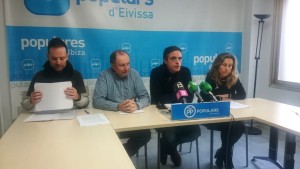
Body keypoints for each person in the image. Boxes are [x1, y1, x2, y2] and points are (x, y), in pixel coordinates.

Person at [93, 50, 151, 157]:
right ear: (113, 65)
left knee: (145, 134)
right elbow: (97, 101)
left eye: (128, 64)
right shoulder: (104, 76)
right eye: (122, 65)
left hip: (132, 120)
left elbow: (145, 97)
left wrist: (137, 105)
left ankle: (120, 156)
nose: (126, 68)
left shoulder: (134, 74)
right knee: (103, 136)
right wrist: (118, 106)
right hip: (112, 122)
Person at [150, 46, 201, 167]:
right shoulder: (156, 73)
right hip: (163, 113)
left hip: (182, 111)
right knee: (170, 133)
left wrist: (175, 98)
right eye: (173, 58)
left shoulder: (185, 71)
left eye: (179, 58)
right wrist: (177, 97)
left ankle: (166, 147)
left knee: (195, 132)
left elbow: (189, 97)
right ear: (165, 60)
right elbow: (157, 99)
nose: (177, 62)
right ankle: (173, 151)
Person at [200, 52, 246, 169]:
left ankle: (222, 154)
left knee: (239, 126)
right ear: (218, 65)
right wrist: (220, 97)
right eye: (224, 65)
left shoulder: (234, 77)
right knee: (230, 125)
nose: (227, 68)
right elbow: (204, 97)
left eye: (230, 65)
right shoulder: (211, 76)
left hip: (229, 114)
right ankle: (227, 158)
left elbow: (242, 94)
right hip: (212, 115)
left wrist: (228, 95)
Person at [21, 37, 89, 110]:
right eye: (54, 59)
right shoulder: (38, 76)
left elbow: (86, 103)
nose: (58, 62)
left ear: (67, 56)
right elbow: (25, 106)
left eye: (62, 58)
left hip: (71, 117)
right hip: (44, 117)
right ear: (48, 56)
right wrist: (31, 101)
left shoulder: (76, 75)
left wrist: (77, 97)